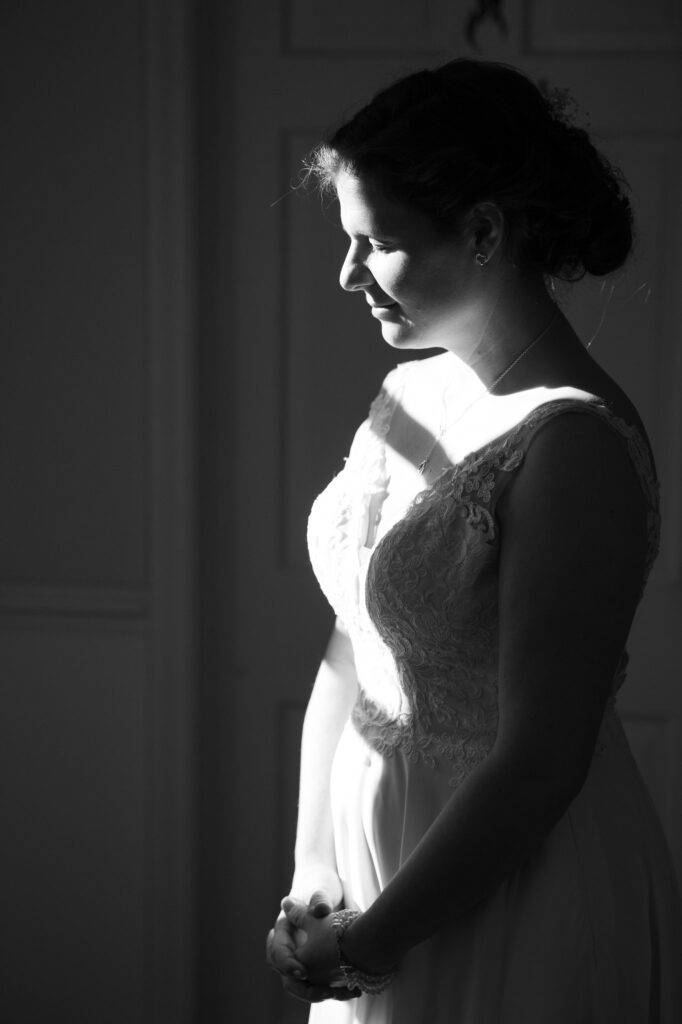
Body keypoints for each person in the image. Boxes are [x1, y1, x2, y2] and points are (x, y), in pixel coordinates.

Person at [266, 58, 682, 1023]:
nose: (346, 273)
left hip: (512, 896)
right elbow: (354, 642)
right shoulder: (416, 387)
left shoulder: (571, 444)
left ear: (485, 231)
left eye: (374, 242)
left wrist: (371, 946)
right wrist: (312, 867)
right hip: (373, 887)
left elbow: (540, 762)